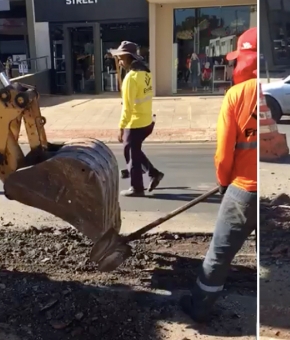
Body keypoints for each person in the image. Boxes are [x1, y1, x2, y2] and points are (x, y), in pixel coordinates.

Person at [180, 27, 258, 323]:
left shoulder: (236, 95)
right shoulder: (271, 93)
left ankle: (200, 308)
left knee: (218, 256)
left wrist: (224, 185)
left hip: (243, 190)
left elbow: (224, 154)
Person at [109, 41, 164, 197]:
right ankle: (153, 173)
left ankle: (137, 188)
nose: (119, 61)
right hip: (147, 120)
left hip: (135, 123)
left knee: (131, 154)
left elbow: (127, 108)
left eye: (120, 58)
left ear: (127, 57)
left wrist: (121, 127)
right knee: (135, 150)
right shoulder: (146, 74)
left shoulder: (130, 79)